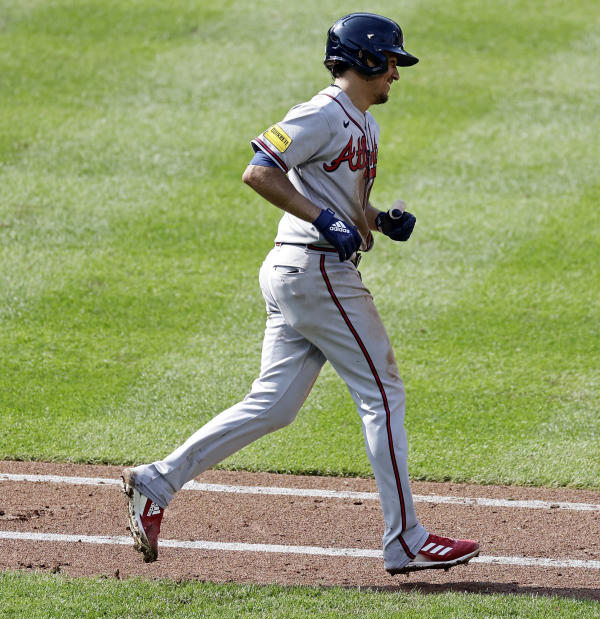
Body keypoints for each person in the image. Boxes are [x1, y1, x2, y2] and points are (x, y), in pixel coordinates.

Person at [120, 12, 479, 576]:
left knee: (275, 405)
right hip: (314, 271)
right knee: (383, 393)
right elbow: (259, 171)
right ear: (363, 60)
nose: (396, 75)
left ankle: (156, 481)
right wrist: (322, 220)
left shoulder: (366, 125)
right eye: (390, 62)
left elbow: (352, 211)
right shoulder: (320, 114)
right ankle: (405, 539)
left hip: (302, 271)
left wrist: (382, 221)